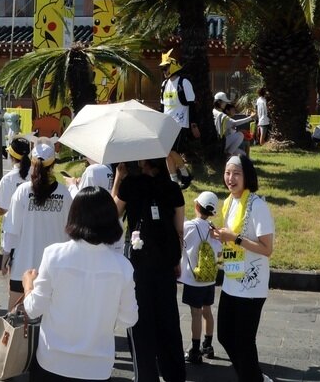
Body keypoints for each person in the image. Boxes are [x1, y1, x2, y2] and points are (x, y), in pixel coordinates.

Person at [22, 187, 138, 382]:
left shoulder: (54, 255)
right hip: (97, 368)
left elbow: (33, 309)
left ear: (74, 216)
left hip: (52, 362)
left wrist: (28, 285)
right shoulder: (123, 267)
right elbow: (129, 319)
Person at [113, 157, 186, 382]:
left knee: (140, 321)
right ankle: (174, 374)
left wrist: (119, 177)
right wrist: (176, 259)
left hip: (138, 263)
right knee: (168, 319)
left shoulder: (131, 185)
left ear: (144, 161)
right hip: (165, 264)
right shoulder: (173, 189)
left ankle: (146, 376)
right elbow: (179, 231)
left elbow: (112, 214)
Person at [212, 154, 275, 382]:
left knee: (244, 342)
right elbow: (233, 238)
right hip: (232, 279)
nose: (230, 178)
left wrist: (235, 238)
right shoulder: (229, 203)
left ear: (247, 176)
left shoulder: (257, 205)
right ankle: (254, 376)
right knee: (225, 336)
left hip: (252, 285)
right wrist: (222, 238)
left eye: (236, 173)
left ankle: (252, 378)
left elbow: (267, 248)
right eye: (227, 173)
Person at [2, 141, 72, 310]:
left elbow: (12, 229)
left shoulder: (23, 191)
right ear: (53, 164)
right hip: (56, 269)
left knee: (15, 320)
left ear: (32, 163)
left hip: (23, 268)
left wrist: (5, 257)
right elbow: (70, 232)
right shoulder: (64, 193)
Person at [181, 190, 223, 364]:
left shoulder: (189, 226)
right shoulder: (214, 230)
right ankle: (208, 345)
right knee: (207, 311)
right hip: (209, 278)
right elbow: (219, 251)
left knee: (196, 313)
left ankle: (194, 350)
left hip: (193, 278)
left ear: (197, 206)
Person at [159, 50, 198, 186]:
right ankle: (173, 181)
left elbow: (192, 105)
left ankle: (185, 174)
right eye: (162, 68)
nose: (164, 71)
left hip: (180, 123)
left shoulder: (184, 82)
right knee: (166, 153)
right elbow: (162, 107)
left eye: (166, 67)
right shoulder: (164, 85)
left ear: (173, 66)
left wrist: (194, 125)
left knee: (172, 150)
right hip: (166, 124)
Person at [0, 136, 33, 218]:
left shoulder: (7, 179)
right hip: (32, 227)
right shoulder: (37, 174)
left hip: (12, 227)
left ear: (11, 157)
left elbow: (3, 209)